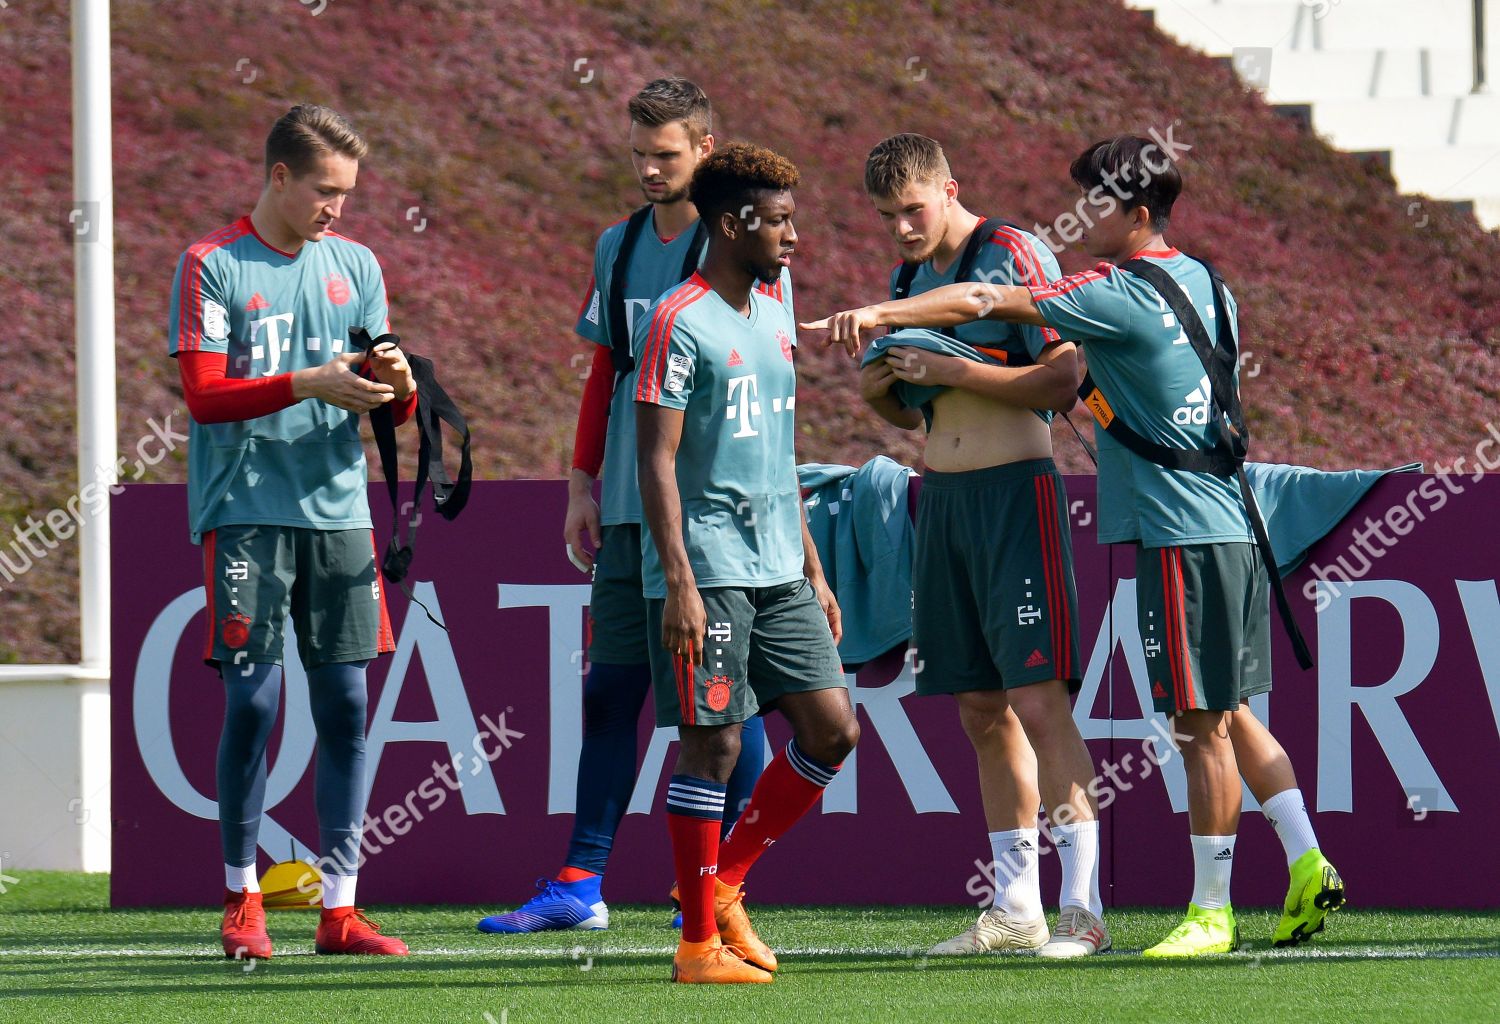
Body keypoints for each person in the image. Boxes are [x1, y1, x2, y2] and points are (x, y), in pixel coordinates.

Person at [803, 134, 1345, 957]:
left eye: (1095, 202)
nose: (1079, 218)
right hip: (1180, 510)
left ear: (1132, 212)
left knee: (1177, 720)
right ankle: (1303, 864)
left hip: (1128, 516)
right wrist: (891, 383)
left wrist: (895, 328)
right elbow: (934, 400)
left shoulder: (1077, 275)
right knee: (1207, 710)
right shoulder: (1206, 279)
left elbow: (1017, 335)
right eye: (888, 216)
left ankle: (1164, 911)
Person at [477, 77, 778, 935]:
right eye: (640, 154)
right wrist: (581, 483)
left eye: (667, 154)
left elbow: (765, 386)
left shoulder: (746, 246)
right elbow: (605, 372)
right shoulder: (617, 246)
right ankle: (580, 884)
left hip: (712, 522)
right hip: (625, 508)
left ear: (706, 150)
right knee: (611, 693)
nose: (650, 169)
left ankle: (718, 883)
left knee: (726, 706)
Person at [169, 104, 416, 959]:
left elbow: (390, 400)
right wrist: (306, 381)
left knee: (347, 703)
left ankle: (339, 909)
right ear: (278, 176)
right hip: (246, 513)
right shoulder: (213, 263)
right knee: (254, 700)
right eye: (324, 190)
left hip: (340, 512)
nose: (337, 209)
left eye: (347, 193)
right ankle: (243, 897)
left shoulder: (358, 265)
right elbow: (202, 398)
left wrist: (398, 383)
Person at [855, 134, 1107, 958]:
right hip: (946, 497)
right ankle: (1014, 909)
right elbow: (918, 415)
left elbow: (1063, 380)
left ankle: (1084, 912)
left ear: (949, 188)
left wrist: (954, 371)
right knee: (978, 707)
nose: (900, 228)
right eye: (887, 215)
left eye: (912, 209)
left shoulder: (1008, 249)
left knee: (1039, 701)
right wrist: (885, 393)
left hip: (1015, 496)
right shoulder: (905, 282)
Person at [636, 142, 859, 983]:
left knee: (834, 729)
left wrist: (812, 565)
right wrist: (680, 583)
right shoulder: (676, 322)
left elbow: (781, 450)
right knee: (714, 744)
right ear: (731, 224)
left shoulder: (772, 310)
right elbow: (655, 461)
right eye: (779, 222)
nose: (793, 237)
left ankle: (726, 883)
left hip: (778, 568)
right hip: (713, 571)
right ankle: (696, 947)